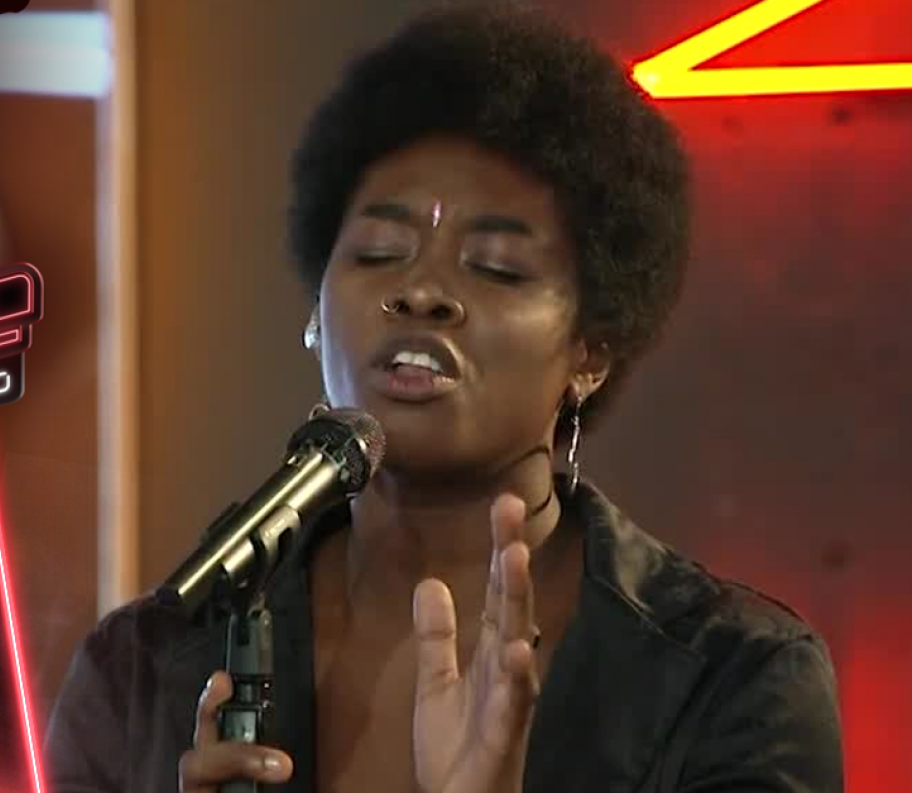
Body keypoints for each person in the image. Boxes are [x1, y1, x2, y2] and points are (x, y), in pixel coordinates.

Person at [44, 3, 845, 792]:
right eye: (379, 251)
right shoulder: (141, 674)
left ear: (591, 350)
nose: (421, 290)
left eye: (497, 267)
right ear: (317, 309)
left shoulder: (736, 682)